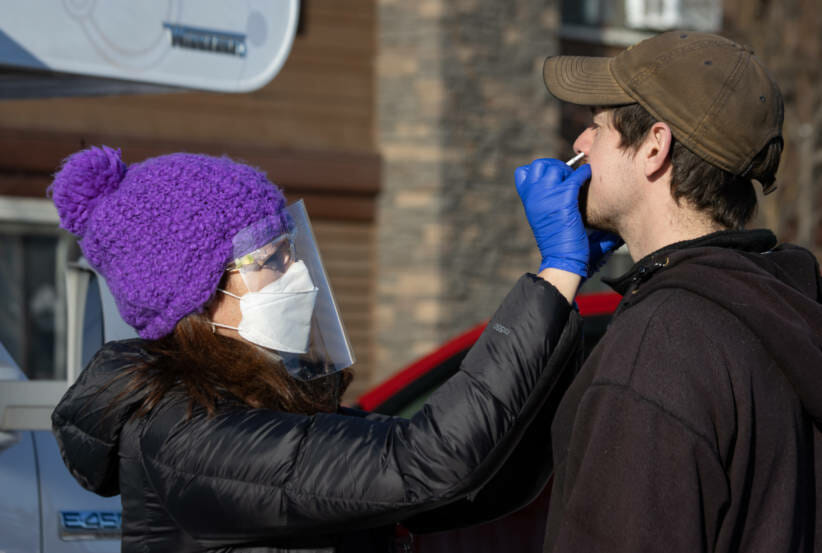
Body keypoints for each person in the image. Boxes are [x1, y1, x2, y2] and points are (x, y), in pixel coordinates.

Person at [49, 146, 615, 552]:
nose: (299, 275)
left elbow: (481, 485)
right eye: (270, 261)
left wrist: (564, 302)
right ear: (193, 301)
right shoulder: (187, 435)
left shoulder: (265, 406)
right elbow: (425, 462)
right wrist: (555, 273)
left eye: (292, 250)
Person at [520, 30, 822, 552]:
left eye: (598, 127)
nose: (579, 145)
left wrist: (560, 270)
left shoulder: (661, 343)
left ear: (655, 146)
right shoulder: (784, 310)